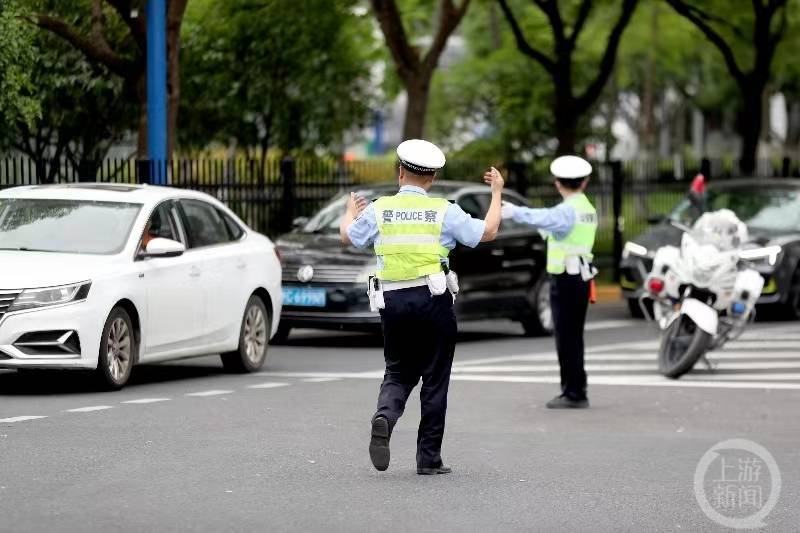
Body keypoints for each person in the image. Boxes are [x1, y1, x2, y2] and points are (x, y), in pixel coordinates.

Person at [339, 139, 505, 474]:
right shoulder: (445, 210)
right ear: (431, 179)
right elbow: (487, 232)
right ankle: (428, 459)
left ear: (400, 173)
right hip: (434, 301)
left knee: (398, 370)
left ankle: (385, 415)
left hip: (393, 302)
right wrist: (497, 193)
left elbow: (348, 237)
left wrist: (349, 213)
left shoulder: (379, 208)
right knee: (435, 378)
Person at [501, 155, 598, 409]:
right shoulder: (586, 208)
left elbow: (542, 217)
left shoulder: (566, 211)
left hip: (566, 280)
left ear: (557, 183)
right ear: (585, 182)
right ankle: (577, 389)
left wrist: (514, 212)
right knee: (573, 336)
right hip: (580, 278)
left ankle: (574, 393)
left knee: (566, 338)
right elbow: (553, 227)